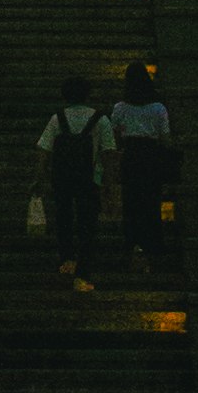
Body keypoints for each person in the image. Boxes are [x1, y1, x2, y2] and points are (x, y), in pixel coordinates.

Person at [104, 60, 177, 280]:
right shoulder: (158, 108)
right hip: (151, 155)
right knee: (151, 200)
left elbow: (114, 136)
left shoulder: (120, 107)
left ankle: (132, 241)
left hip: (131, 156)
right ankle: (153, 243)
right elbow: (165, 137)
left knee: (131, 201)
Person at [35, 76, 103, 285]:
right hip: (89, 177)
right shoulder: (99, 119)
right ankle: (84, 265)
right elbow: (110, 151)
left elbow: (44, 150)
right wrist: (109, 182)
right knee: (86, 221)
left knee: (63, 217)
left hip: (62, 176)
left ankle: (66, 259)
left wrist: (40, 176)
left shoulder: (58, 118)